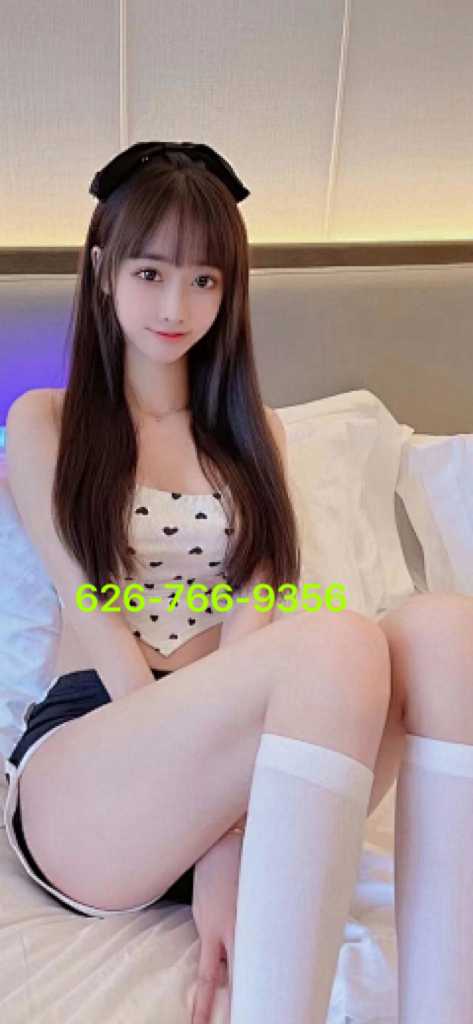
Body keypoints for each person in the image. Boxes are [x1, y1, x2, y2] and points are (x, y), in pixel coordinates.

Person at [4, 141, 473, 1024]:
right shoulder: (48, 420)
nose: (175, 306)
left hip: (255, 771)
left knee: (445, 629)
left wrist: (229, 838)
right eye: (150, 272)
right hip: (99, 759)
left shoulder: (254, 434)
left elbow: (251, 627)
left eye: (204, 281)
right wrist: (218, 827)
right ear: (102, 271)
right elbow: (87, 605)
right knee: (334, 640)